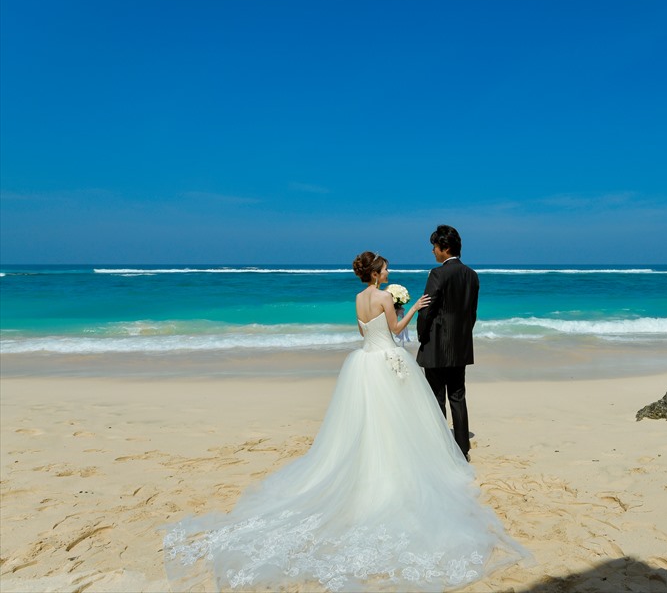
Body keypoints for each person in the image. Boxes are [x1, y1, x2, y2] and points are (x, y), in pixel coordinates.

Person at [163, 251, 528, 592]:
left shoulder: (357, 299)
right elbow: (397, 326)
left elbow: (365, 333)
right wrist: (414, 306)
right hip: (387, 361)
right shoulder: (385, 297)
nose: (388, 272)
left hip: (364, 362)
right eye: (385, 269)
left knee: (369, 422)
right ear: (375, 273)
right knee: (398, 420)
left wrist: (390, 324)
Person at [416, 225, 479, 462]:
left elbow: (427, 309)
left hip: (436, 346)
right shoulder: (472, 275)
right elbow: (471, 313)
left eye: (435, 247)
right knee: (458, 395)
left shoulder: (437, 274)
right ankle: (462, 447)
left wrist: (422, 335)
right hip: (460, 346)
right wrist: (462, 337)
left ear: (446, 248)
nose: (433, 251)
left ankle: (440, 445)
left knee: (435, 397)